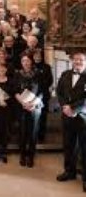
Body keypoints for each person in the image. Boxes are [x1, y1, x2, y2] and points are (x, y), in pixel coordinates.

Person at [56, 51, 86, 192]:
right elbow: (59, 92)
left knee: (84, 149)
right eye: (76, 59)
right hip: (67, 116)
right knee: (68, 145)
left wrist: (73, 108)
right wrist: (64, 106)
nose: (78, 62)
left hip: (82, 117)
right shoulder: (65, 74)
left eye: (81, 60)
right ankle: (70, 171)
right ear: (72, 61)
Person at [14, 54, 43, 168]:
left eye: (27, 60)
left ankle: (31, 156)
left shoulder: (38, 74)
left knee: (33, 132)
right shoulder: (17, 74)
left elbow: (42, 91)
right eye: (23, 61)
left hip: (34, 106)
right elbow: (15, 91)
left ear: (31, 62)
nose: (25, 63)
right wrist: (23, 102)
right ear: (21, 62)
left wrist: (33, 103)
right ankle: (22, 155)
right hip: (21, 105)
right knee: (22, 131)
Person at [0, 63, 14, 163]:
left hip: (7, 109)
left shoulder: (10, 81)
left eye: (4, 68)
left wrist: (5, 101)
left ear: (6, 69)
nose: (1, 69)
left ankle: (4, 152)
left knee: (5, 132)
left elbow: (13, 94)